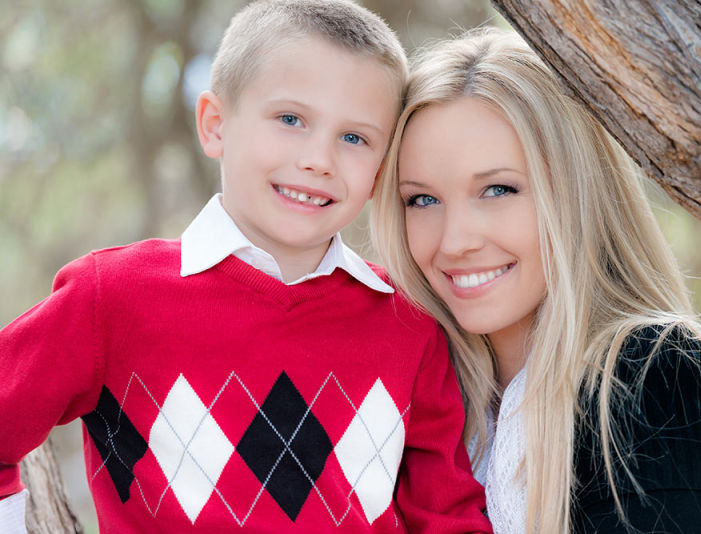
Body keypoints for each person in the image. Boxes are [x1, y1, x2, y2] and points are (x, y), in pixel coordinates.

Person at [0, 2, 492, 532]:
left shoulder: (410, 322)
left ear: (380, 171)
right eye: (290, 119)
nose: (318, 159)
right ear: (215, 125)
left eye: (355, 138)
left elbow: (446, 515)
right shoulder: (113, 298)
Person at [370, 27, 701, 533]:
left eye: (497, 189)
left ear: (575, 192)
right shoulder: (412, 397)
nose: (454, 241)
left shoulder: (652, 372)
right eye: (422, 199)